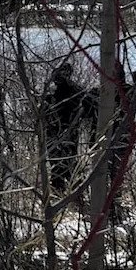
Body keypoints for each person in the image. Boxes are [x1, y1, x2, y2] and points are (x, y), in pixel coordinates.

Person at [41, 61, 92, 195]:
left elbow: (87, 107)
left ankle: (69, 195)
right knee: (61, 166)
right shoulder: (52, 90)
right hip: (57, 132)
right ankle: (65, 195)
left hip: (66, 132)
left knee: (64, 166)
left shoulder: (72, 89)